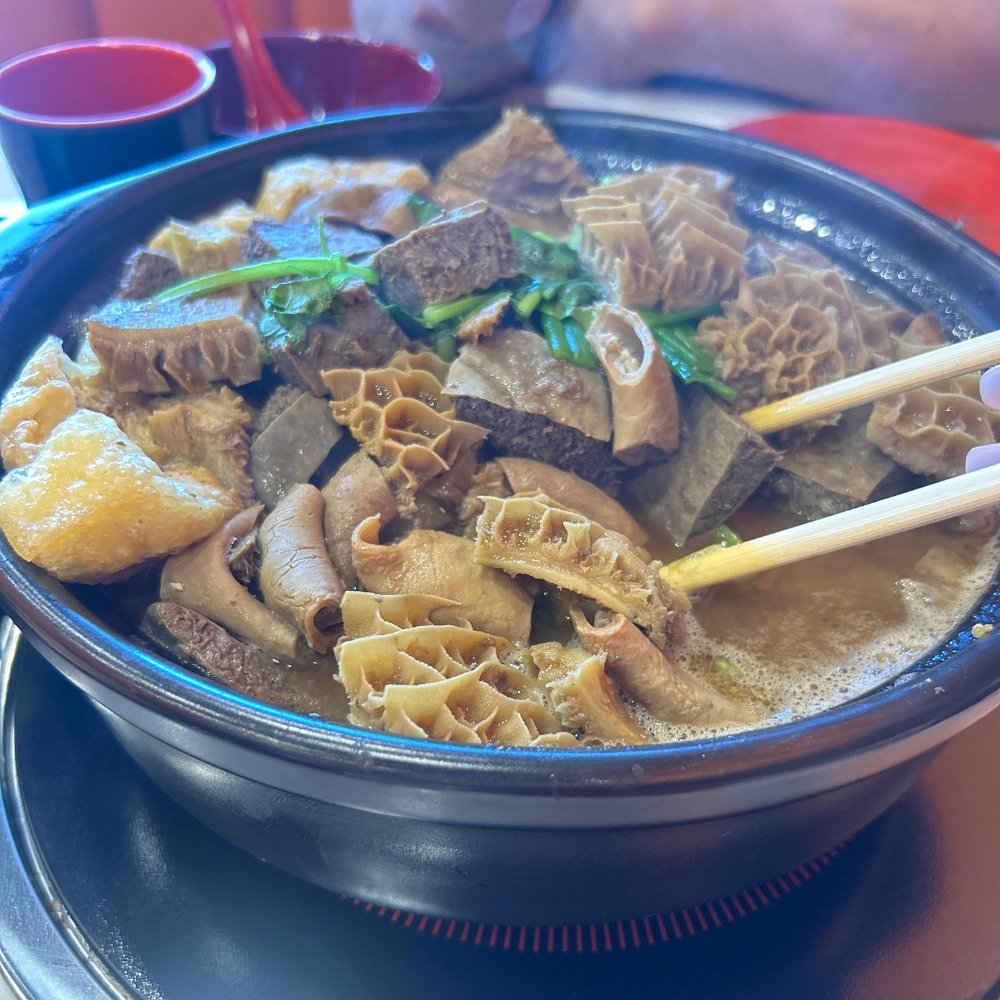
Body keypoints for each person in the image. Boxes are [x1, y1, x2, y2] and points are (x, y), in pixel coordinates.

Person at [353, 0, 1000, 131]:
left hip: (926, 171)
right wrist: (445, 25)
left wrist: (655, 23)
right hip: (561, 144)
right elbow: (403, 47)